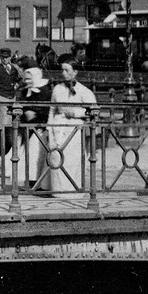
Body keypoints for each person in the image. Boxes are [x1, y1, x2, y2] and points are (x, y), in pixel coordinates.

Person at [38, 54, 97, 193]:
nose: (63, 73)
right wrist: (49, 128)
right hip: (57, 127)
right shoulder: (57, 89)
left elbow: (94, 110)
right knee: (55, 156)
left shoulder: (83, 91)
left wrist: (76, 113)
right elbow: (52, 110)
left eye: (67, 70)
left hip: (74, 129)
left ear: (75, 72)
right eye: (62, 70)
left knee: (71, 160)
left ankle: (71, 189)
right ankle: (56, 189)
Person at [16, 66, 52, 185]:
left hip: (39, 127)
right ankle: (27, 178)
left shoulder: (45, 92)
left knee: (35, 152)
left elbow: (48, 110)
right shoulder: (25, 90)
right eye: (25, 79)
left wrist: (35, 113)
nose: (26, 82)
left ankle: (34, 179)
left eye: (29, 79)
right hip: (27, 127)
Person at [0, 47, 22, 159]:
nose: (5, 59)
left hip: (12, 100)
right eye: (3, 57)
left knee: (13, 126)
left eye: (7, 57)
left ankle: (10, 152)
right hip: (2, 99)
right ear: (0, 57)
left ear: (10, 57)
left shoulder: (14, 68)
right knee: (4, 126)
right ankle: (3, 151)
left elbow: (21, 78)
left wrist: (17, 85)